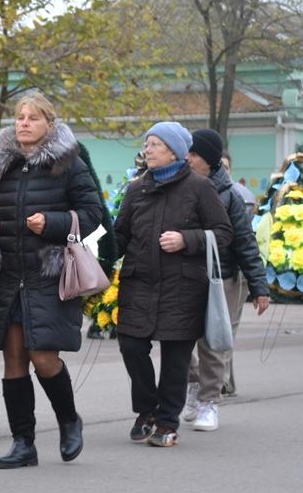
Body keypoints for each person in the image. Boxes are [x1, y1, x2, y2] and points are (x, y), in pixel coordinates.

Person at [0, 92, 102, 468]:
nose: (23, 123)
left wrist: (52, 223)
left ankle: (69, 419)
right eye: (19, 116)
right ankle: (23, 443)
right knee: (13, 357)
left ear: (49, 124)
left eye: (33, 118)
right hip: (7, 275)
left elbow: (93, 213)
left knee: (43, 355)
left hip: (48, 273)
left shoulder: (69, 163)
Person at [114, 122, 232, 447]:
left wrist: (186, 239)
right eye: (147, 143)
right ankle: (147, 409)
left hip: (183, 287)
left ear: (174, 151)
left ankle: (167, 422)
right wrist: (89, 246)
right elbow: (119, 235)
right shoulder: (136, 188)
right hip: (139, 283)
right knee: (131, 347)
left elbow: (224, 232)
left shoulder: (199, 187)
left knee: (175, 360)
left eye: (155, 143)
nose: (148, 149)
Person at [182, 130, 270, 432]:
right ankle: (194, 384)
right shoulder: (180, 186)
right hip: (184, 276)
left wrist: (259, 287)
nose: (187, 158)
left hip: (222, 278)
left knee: (212, 342)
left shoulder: (230, 195)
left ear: (208, 159)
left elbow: (245, 242)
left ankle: (209, 402)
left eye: (193, 154)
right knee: (178, 339)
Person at [220, 151, 257, 397]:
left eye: (224, 165)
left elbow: (243, 239)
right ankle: (225, 381)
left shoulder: (240, 195)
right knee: (220, 329)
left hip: (235, 271)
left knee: (226, 328)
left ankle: (221, 382)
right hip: (219, 271)